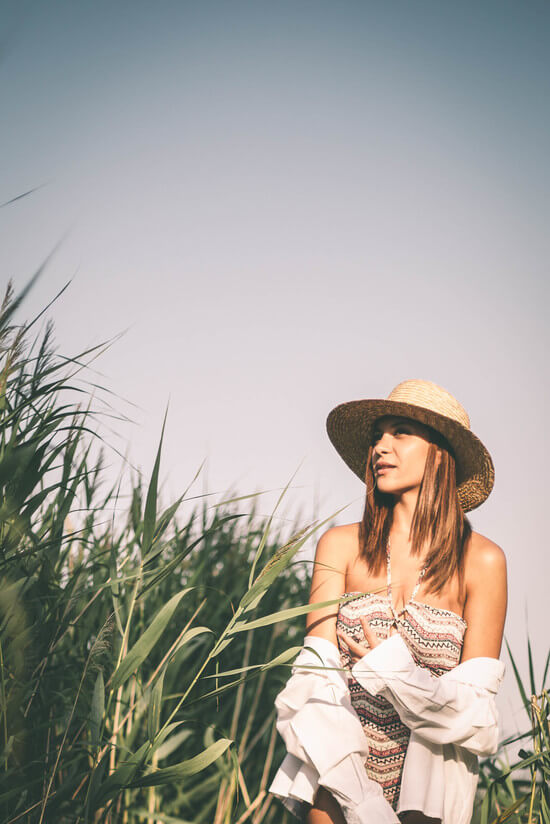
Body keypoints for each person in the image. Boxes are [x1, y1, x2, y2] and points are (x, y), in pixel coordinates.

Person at [268, 379, 507, 824]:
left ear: (440, 451)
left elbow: (476, 713)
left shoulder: (483, 561)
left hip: (433, 780)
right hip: (340, 769)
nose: (380, 446)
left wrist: (395, 670)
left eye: (400, 432)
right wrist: (358, 798)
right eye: (378, 435)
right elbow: (314, 680)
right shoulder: (339, 546)